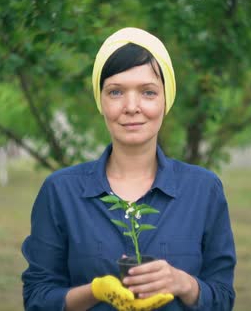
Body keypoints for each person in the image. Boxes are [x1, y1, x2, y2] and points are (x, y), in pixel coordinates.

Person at [21, 27, 236, 310]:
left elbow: (222, 298)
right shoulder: (60, 191)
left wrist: (184, 283)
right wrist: (95, 291)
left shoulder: (204, 190)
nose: (131, 106)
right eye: (116, 92)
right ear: (101, 101)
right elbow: (37, 299)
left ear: (165, 100)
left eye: (148, 92)